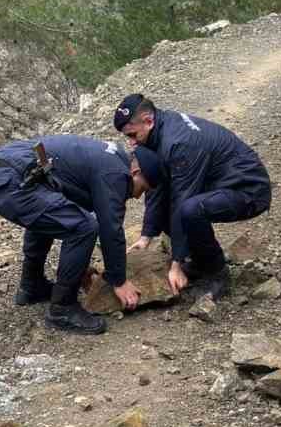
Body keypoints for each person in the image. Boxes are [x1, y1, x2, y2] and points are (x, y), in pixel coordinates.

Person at [0, 135, 156, 335]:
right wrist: (119, 280)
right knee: (84, 228)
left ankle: (32, 286)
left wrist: (80, 267)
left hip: (6, 174)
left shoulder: (111, 159)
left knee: (55, 212)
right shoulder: (115, 173)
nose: (138, 196)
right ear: (135, 172)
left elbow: (71, 207)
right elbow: (110, 227)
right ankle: (63, 309)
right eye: (143, 188)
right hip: (11, 182)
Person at [112, 95, 271, 301]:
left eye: (133, 135)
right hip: (218, 182)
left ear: (148, 121)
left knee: (191, 210)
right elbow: (157, 183)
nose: (131, 142)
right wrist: (146, 235)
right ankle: (200, 261)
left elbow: (181, 200)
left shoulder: (179, 143)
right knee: (176, 209)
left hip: (248, 189)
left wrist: (176, 263)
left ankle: (217, 273)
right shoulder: (157, 132)